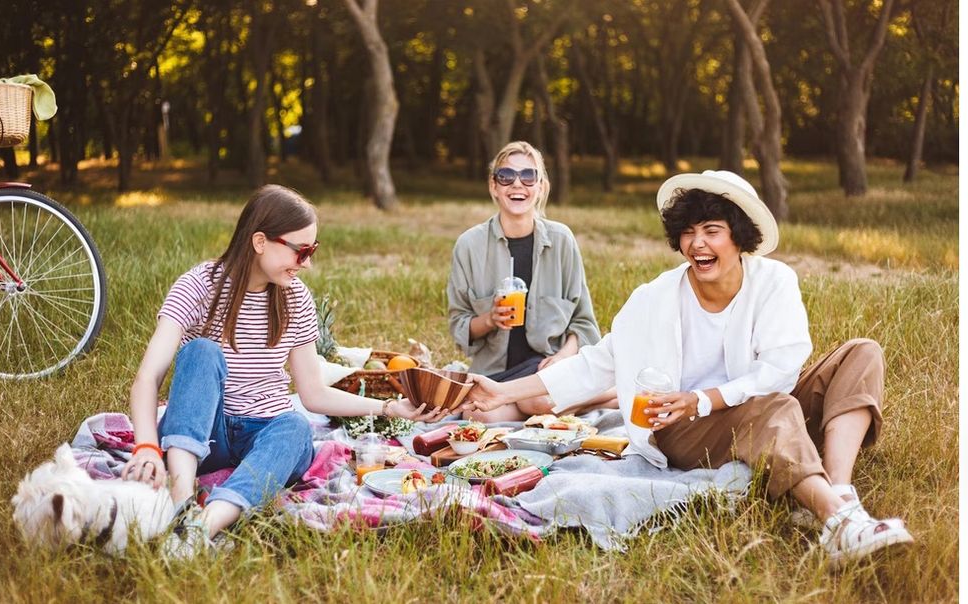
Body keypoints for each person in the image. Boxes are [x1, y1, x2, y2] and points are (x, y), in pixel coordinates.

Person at [463, 170, 913, 568]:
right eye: (689, 232)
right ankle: (838, 519)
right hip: (681, 429)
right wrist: (503, 393)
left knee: (862, 352)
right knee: (771, 408)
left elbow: (781, 368)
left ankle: (840, 495)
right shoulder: (654, 299)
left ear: (739, 237)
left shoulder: (774, 282)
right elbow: (595, 365)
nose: (698, 243)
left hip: (753, 409)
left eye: (713, 230)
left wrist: (706, 398)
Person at [122, 184, 446, 557]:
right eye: (301, 250)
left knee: (295, 426)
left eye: (313, 250)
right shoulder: (199, 286)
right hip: (203, 435)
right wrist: (146, 446)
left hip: (265, 433)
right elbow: (148, 377)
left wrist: (389, 408)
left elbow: (313, 394)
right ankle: (180, 503)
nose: (307, 263)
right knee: (201, 351)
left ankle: (202, 526)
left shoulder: (295, 298)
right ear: (260, 241)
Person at [447, 141, 613, 422]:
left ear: (541, 187)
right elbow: (459, 326)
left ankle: (605, 395)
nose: (517, 184)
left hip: (547, 369)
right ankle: (607, 398)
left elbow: (583, 323)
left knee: (539, 397)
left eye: (528, 176)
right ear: (494, 186)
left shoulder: (562, 240)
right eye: (506, 176)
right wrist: (490, 320)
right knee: (482, 417)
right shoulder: (469, 245)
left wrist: (561, 359)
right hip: (496, 376)